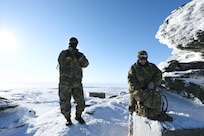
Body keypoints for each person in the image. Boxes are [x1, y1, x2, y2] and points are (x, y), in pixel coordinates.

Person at [58, 37, 89, 126]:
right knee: (65, 102)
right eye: (72, 42)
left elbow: (86, 64)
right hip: (65, 84)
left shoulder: (80, 55)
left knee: (81, 102)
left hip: (77, 83)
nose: (73, 44)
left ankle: (78, 116)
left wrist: (80, 58)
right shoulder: (64, 53)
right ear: (69, 43)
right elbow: (61, 62)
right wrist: (69, 55)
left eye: (74, 42)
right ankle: (67, 119)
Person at [127, 50, 162, 119]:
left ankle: (150, 112)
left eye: (145, 57)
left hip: (149, 89)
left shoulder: (152, 67)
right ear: (138, 58)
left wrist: (153, 83)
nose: (143, 60)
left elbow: (158, 75)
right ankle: (132, 117)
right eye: (141, 57)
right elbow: (131, 80)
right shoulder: (133, 68)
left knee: (154, 100)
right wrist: (137, 89)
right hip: (137, 89)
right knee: (133, 106)